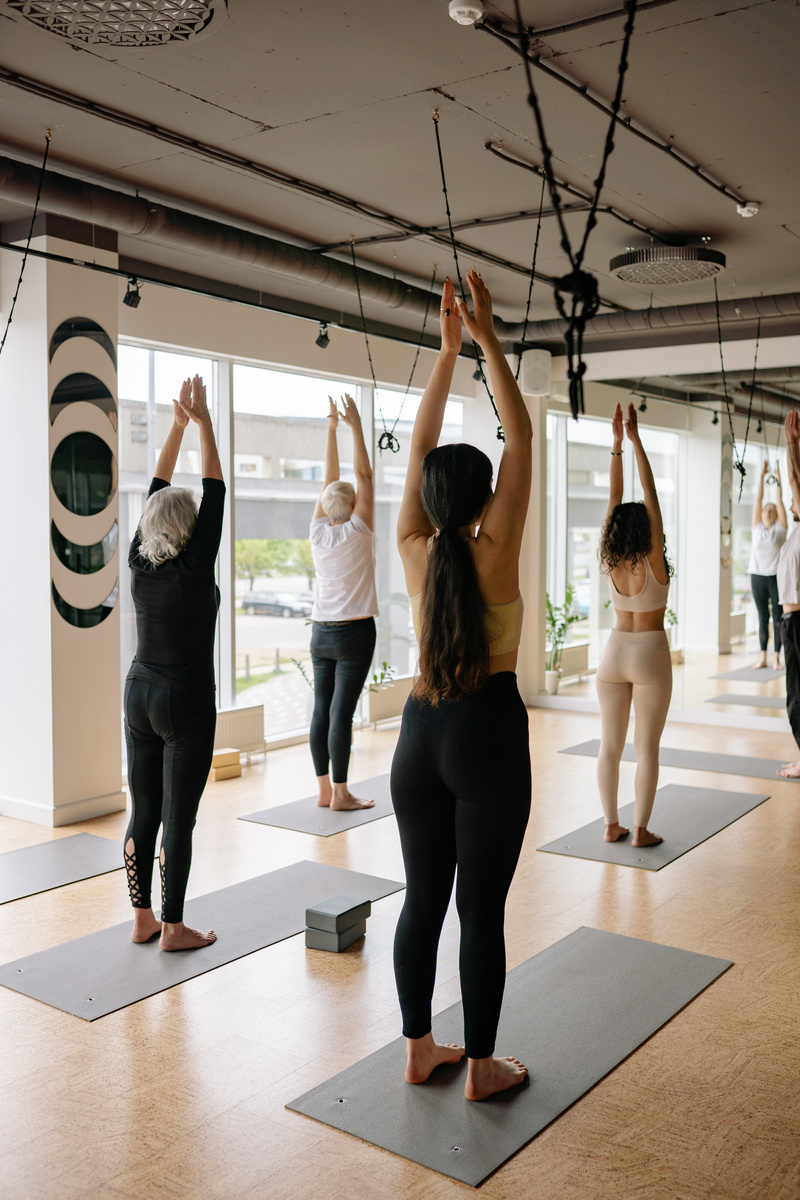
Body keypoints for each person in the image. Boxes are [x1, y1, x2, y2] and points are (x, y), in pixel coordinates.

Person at [391, 271, 532, 1102]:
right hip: (486, 732)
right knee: (480, 909)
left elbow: (416, 453)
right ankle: (480, 1066)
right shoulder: (495, 549)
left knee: (423, 902)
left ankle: (420, 1049)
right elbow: (522, 436)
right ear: (482, 499)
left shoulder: (414, 546)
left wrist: (445, 355)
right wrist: (484, 341)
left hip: (418, 733)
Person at [124, 374, 224, 950]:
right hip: (184, 701)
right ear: (189, 530)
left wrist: (179, 426)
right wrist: (205, 422)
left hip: (138, 691)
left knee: (144, 810)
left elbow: (156, 485)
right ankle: (173, 925)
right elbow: (214, 487)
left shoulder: (141, 557)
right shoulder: (195, 561)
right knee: (177, 819)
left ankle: (142, 919)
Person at [596, 401, 672, 848]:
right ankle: (640, 831)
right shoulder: (654, 554)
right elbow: (651, 494)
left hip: (613, 652)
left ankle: (611, 824)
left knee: (610, 746)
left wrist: (616, 446)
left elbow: (615, 499)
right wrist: (637, 439)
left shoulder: (612, 560)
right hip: (649, 651)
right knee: (646, 749)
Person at [309, 393, 379, 810]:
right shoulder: (358, 530)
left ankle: (323, 791)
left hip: (321, 632)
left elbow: (328, 483)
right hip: (354, 633)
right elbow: (364, 477)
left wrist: (332, 429)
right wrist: (354, 427)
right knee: (342, 713)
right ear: (353, 506)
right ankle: (341, 794)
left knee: (322, 709)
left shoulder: (318, 532)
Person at [776, 411, 800, 777]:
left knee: (797, 698)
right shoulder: (795, 530)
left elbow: (795, 481)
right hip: (791, 619)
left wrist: (791, 446)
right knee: (795, 697)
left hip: (797, 620)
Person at [748, 458, 786, 669]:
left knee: (778, 618)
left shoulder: (780, 530)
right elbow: (757, 500)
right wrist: (762, 477)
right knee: (763, 616)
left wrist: (778, 477)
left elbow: (779, 500)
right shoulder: (757, 528)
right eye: (766, 510)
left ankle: (776, 658)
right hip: (757, 576)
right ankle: (763, 656)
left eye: (772, 510)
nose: (768, 512)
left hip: (775, 577)